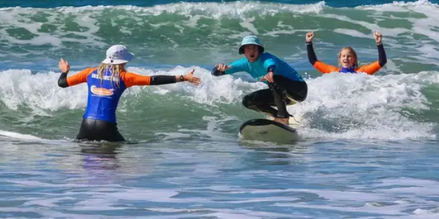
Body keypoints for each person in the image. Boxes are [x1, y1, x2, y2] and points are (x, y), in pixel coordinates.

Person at [58, 44, 201, 142]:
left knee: (87, 160)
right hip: (107, 126)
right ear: (122, 61)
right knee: (123, 155)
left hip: (86, 125)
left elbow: (62, 83)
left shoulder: (89, 73)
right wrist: (183, 77)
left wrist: (65, 72)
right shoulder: (125, 77)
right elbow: (154, 80)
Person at [211, 35, 307, 125]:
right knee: (248, 101)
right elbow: (216, 73)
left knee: (273, 79)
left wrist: (270, 72)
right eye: (248, 48)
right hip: (283, 96)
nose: (251, 51)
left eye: (254, 48)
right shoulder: (244, 63)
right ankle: (279, 116)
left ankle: (283, 117)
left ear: (259, 50)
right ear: (243, 51)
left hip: (298, 89)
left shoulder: (266, 58)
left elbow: (270, 64)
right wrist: (218, 69)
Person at [305, 30, 387, 74]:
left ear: (354, 59)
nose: (346, 58)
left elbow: (382, 62)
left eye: (349, 56)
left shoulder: (362, 72)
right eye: (343, 56)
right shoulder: (333, 72)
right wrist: (309, 43)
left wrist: (379, 43)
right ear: (340, 59)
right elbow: (313, 61)